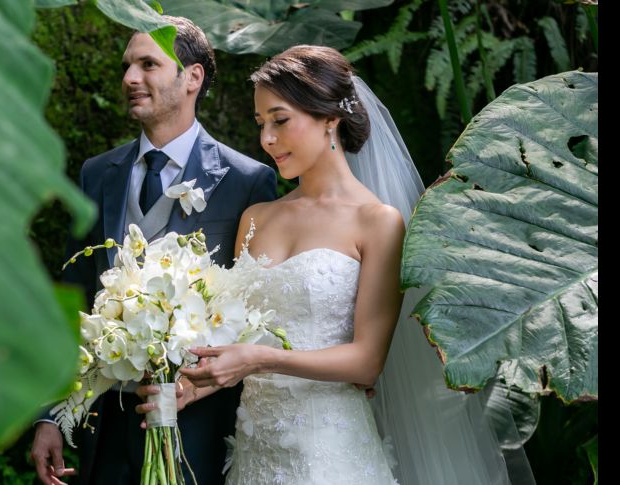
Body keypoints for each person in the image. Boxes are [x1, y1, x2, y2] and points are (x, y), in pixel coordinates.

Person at [177, 45, 531, 484]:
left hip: (331, 451)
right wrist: (198, 383)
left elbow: (366, 361)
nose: (266, 139)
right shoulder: (257, 218)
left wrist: (256, 359)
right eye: (260, 123)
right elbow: (236, 337)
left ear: (330, 118)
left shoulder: (378, 222)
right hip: (256, 450)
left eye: (280, 120)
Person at [30, 16, 277, 485]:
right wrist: (50, 414)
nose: (129, 79)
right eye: (127, 66)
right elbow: (72, 301)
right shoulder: (97, 174)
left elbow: (254, 315)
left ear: (193, 78)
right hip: (103, 428)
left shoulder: (248, 181)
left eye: (147, 64)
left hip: (197, 434)